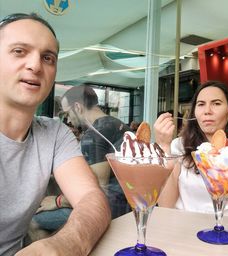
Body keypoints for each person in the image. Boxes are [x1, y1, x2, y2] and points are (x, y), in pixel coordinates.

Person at [0, 13, 111, 255]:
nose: (36, 65)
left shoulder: (54, 132)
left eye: (47, 57)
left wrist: (65, 244)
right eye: (19, 51)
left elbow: (93, 197)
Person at [154, 81, 228, 218]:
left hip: (224, 235)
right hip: (180, 230)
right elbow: (165, 205)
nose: (207, 111)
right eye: (201, 104)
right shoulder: (178, 147)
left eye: (216, 103)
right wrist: (164, 147)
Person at [61, 85, 131, 218]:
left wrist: (58, 201)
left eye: (67, 113)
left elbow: (97, 189)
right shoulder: (117, 124)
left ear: (77, 107)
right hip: (130, 204)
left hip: (112, 210)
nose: (69, 120)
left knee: (35, 221)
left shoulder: (94, 134)